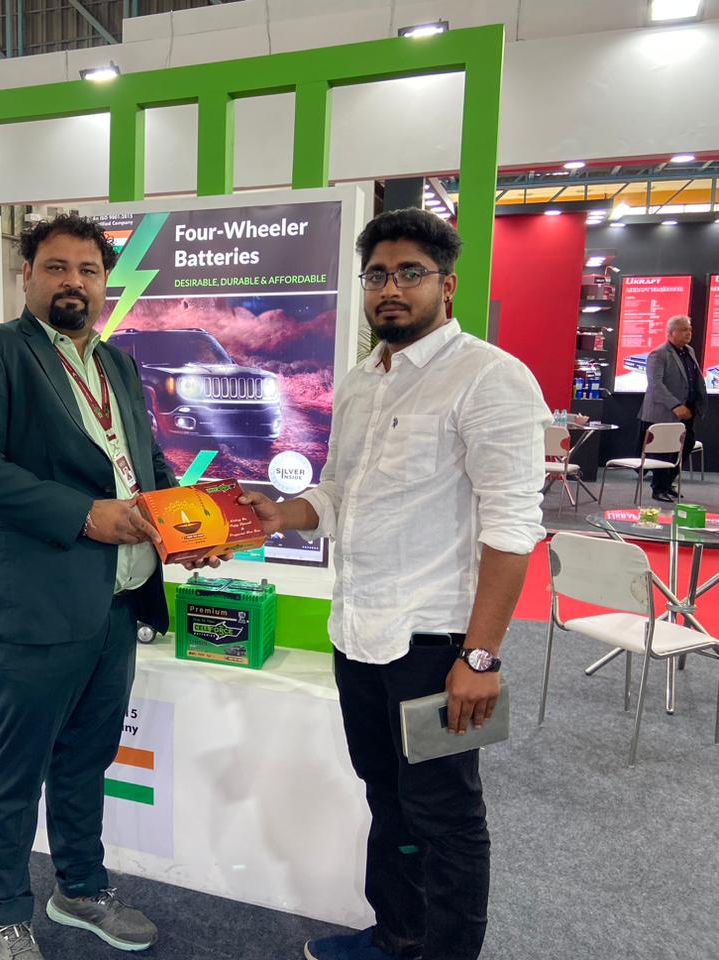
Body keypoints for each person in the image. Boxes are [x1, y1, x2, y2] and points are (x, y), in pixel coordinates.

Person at [240, 209, 549, 960]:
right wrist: (280, 513)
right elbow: (338, 494)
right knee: (387, 796)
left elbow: (512, 530)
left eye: (410, 273)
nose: (391, 289)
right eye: (377, 274)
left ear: (447, 284)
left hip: (437, 645)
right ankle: (397, 935)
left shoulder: (491, 379)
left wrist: (480, 657)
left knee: (445, 817)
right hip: (360, 633)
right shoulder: (360, 383)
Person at [0, 213, 220, 960]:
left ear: (104, 284)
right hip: (32, 605)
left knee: (85, 759)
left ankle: (81, 888)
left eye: (88, 270)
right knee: (16, 769)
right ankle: (4, 911)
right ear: (27, 276)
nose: (74, 282)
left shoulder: (118, 364)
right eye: (57, 267)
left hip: (116, 601)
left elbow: (143, 463)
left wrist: (188, 527)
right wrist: (85, 516)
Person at [638, 314, 705, 503]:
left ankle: (667, 484)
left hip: (687, 410)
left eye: (689, 329)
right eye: (684, 330)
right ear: (671, 332)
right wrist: (675, 405)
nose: (688, 333)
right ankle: (658, 488)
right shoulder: (658, 354)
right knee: (663, 450)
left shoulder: (689, 351)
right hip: (664, 411)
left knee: (686, 445)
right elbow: (655, 385)